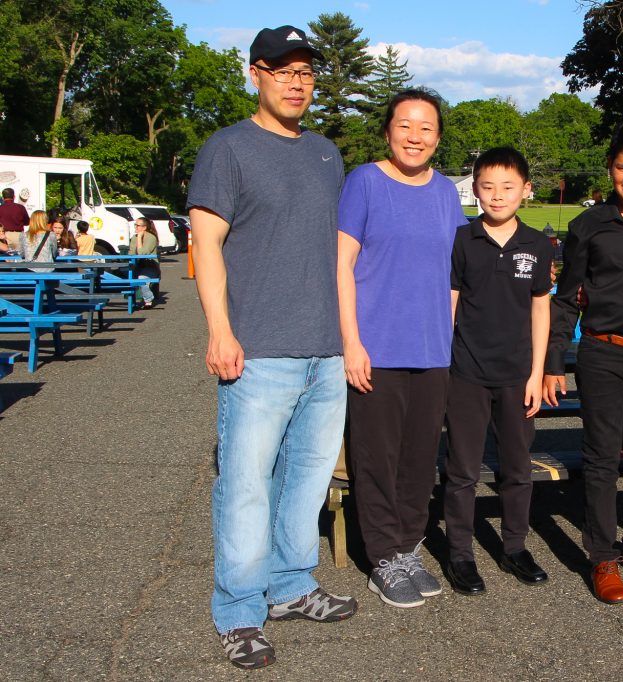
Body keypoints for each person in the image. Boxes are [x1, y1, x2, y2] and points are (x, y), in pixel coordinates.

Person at [187, 24, 355, 670]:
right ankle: (238, 609)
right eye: (283, 70)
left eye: (305, 72)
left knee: (305, 481)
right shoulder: (227, 148)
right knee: (246, 485)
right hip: (257, 350)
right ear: (255, 74)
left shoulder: (326, 154)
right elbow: (206, 244)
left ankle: (289, 585)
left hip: (325, 351)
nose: (296, 82)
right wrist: (220, 330)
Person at [337, 88, 465, 609]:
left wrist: (447, 330)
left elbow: (453, 273)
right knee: (377, 459)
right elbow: (342, 264)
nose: (415, 136)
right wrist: (351, 342)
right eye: (405, 125)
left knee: (418, 459)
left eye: (426, 128)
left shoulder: (446, 192)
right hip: (377, 349)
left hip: (432, 350)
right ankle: (383, 556)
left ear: (438, 137)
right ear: (388, 131)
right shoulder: (365, 182)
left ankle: (409, 547)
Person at [543, 121, 623, 604]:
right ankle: (602, 556)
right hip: (602, 353)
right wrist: (553, 361)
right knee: (601, 457)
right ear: (610, 167)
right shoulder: (588, 226)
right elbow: (565, 299)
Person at [444, 147, 554, 596]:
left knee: (517, 468)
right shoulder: (462, 239)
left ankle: (514, 548)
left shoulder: (538, 244)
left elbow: (541, 310)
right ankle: (459, 554)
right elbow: (450, 305)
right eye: (487, 186)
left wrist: (536, 372)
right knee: (462, 471)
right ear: (475, 190)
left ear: (526, 190)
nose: (497, 195)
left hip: (516, 376)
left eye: (508, 187)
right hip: (467, 373)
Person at [128, 217, 159, 308]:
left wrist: (139, 238)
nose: (135, 227)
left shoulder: (151, 238)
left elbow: (142, 253)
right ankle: (130, 301)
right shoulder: (134, 237)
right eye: (135, 225)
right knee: (120, 277)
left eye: (138, 225)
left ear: (144, 227)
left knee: (142, 279)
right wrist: (137, 238)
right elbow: (131, 253)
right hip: (137, 265)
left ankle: (148, 300)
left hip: (150, 265)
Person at [0, 187, 29, 253]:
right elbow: (27, 222)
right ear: (14, 197)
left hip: (5, 236)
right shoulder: (21, 208)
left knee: (6, 257)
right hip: (19, 235)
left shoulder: (0, 208)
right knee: (20, 256)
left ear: (3, 198)